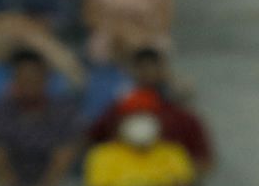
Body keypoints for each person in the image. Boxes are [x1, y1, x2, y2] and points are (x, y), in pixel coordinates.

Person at [0, 50, 83, 186]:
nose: (29, 84)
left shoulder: (64, 112)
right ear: (14, 80)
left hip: (53, 181)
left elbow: (63, 157)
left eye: (34, 79)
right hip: (10, 180)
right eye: (24, 79)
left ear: (45, 79)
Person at [85, 48, 214, 176]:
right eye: (142, 68)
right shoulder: (116, 113)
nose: (148, 73)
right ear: (133, 71)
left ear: (164, 71)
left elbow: (203, 161)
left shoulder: (182, 117)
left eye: (153, 68)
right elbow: (92, 142)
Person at [84, 91, 196, 186]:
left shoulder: (173, 153)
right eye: (134, 116)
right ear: (121, 121)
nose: (141, 122)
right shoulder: (103, 155)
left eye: (146, 116)